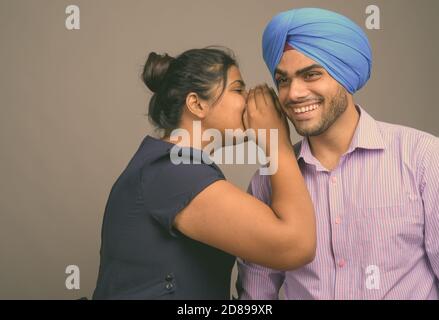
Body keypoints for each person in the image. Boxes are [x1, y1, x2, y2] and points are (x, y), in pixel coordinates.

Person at [237, 8, 439, 299]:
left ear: (345, 75)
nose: (294, 93)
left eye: (311, 74)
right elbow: (256, 294)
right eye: (283, 80)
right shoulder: (268, 180)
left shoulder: (426, 159)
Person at [92, 47, 316, 299]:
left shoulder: (174, 167)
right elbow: (296, 246)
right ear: (197, 104)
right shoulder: (173, 173)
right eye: (238, 89)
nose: (249, 98)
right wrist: (277, 143)